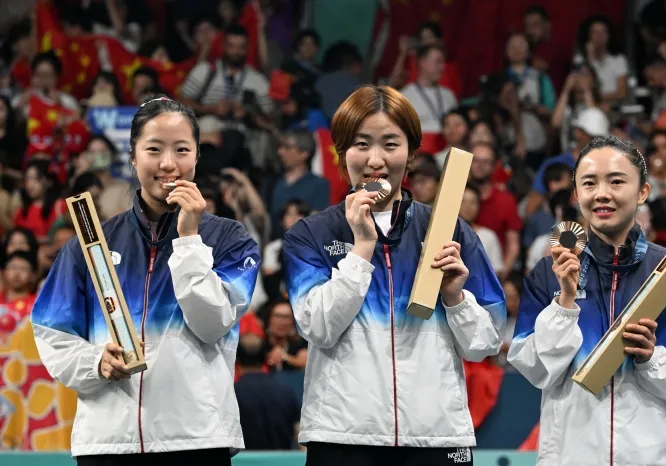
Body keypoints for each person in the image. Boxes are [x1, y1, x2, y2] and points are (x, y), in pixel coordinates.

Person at [282, 85, 506, 466]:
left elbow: (485, 343)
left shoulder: (449, 229)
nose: (375, 159)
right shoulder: (310, 235)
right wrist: (362, 249)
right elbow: (317, 327)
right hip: (343, 436)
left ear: (412, 151)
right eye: (361, 144)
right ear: (342, 151)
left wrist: (455, 298)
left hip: (436, 437)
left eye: (390, 144)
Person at [31, 96, 261, 465]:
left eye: (181, 150)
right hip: (108, 443)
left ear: (197, 157)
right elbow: (51, 332)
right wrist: (96, 363)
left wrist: (188, 240)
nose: (168, 164)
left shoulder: (230, 240)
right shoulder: (91, 245)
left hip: (196, 441)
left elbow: (211, 323)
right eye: (154, 149)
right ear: (133, 157)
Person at [508, 135, 666, 465]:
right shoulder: (549, 273)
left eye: (616, 181)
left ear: (642, 191)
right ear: (577, 193)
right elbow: (537, 371)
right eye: (589, 182)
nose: (602, 193)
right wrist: (564, 304)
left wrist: (653, 360)